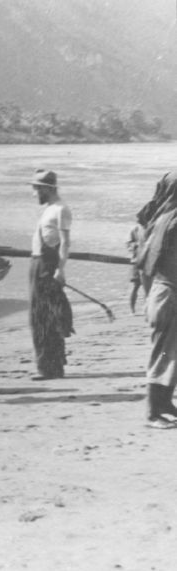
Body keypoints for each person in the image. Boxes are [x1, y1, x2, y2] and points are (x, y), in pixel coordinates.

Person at [135, 170, 177, 428]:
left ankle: (164, 403)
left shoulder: (160, 219)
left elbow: (144, 264)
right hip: (168, 293)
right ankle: (153, 412)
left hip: (161, 292)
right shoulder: (172, 222)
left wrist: (144, 295)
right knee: (163, 353)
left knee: (170, 351)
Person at [28, 169, 74, 381]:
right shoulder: (48, 208)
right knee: (38, 317)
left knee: (46, 318)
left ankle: (51, 369)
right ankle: (48, 365)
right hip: (37, 263)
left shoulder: (61, 209)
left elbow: (65, 243)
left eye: (37, 189)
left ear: (47, 189)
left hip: (48, 265)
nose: (34, 193)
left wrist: (61, 269)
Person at [126, 218, 145, 314]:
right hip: (137, 261)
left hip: (147, 261)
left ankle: (146, 308)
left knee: (148, 287)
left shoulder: (151, 227)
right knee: (135, 286)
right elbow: (128, 244)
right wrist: (136, 246)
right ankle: (132, 310)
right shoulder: (135, 229)